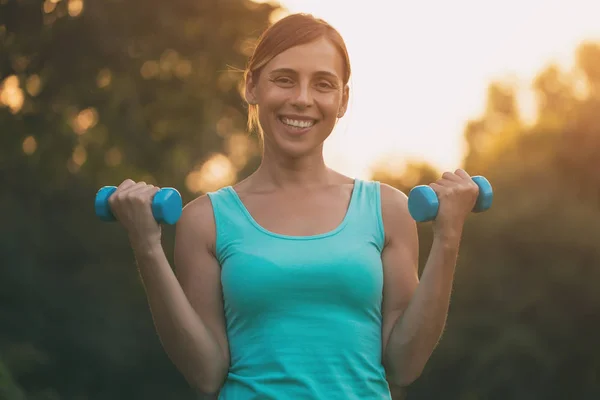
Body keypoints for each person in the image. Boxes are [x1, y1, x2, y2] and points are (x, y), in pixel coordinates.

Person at [107, 13, 480, 400]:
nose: (302, 99)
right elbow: (206, 374)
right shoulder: (205, 221)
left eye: (323, 84)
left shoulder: (388, 210)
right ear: (252, 86)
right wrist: (147, 247)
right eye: (284, 79)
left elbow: (405, 364)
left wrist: (448, 236)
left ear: (343, 100)